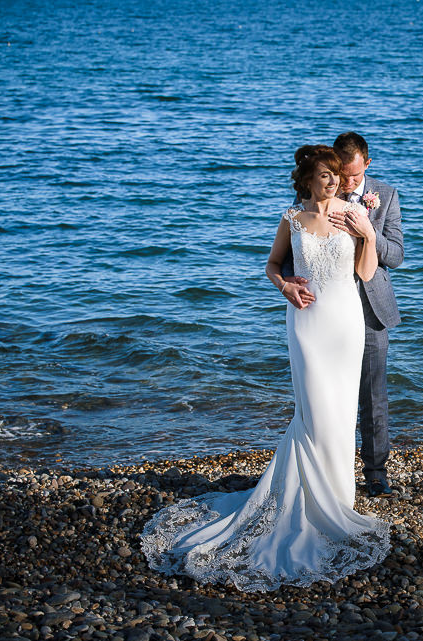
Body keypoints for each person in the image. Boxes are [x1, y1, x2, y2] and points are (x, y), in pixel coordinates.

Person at [140, 145, 390, 592]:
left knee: (339, 411)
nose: (332, 181)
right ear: (307, 180)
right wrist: (285, 286)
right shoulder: (292, 218)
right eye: (323, 175)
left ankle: (338, 499)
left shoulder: (354, 214)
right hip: (308, 323)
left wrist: (367, 234)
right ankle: (314, 502)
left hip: (346, 324)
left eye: (335, 174)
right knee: (314, 411)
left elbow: (367, 275)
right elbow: (273, 265)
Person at [281, 132, 403, 497]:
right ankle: (325, 473)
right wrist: (287, 282)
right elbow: (296, 249)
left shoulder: (386, 195)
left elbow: (395, 255)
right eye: (340, 174)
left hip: (367, 308)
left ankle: (375, 473)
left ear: (367, 164)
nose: (346, 183)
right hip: (320, 310)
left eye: (353, 176)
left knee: (372, 395)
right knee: (323, 395)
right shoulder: (309, 198)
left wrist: (367, 233)